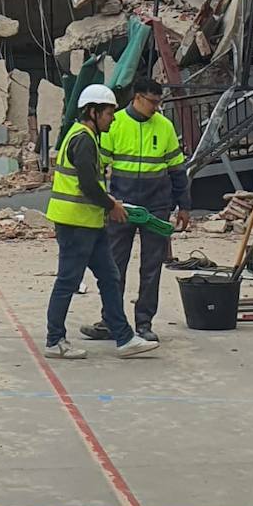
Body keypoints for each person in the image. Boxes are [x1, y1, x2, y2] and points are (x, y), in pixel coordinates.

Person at [44, 85, 157, 360]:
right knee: (68, 281)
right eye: (109, 113)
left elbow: (91, 184)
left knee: (110, 277)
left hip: (90, 224)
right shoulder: (83, 140)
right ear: (93, 112)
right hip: (75, 224)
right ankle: (54, 340)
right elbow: (86, 186)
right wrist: (112, 205)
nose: (113, 118)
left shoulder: (88, 137)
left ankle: (124, 338)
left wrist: (107, 205)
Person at [80, 77, 191, 345]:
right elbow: (98, 168)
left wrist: (184, 205)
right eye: (152, 102)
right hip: (121, 206)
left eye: (158, 102)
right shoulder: (115, 124)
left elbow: (177, 169)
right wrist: (105, 204)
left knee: (151, 267)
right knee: (113, 266)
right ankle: (111, 321)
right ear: (137, 98)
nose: (156, 107)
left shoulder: (164, 127)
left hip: (156, 206)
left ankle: (144, 323)